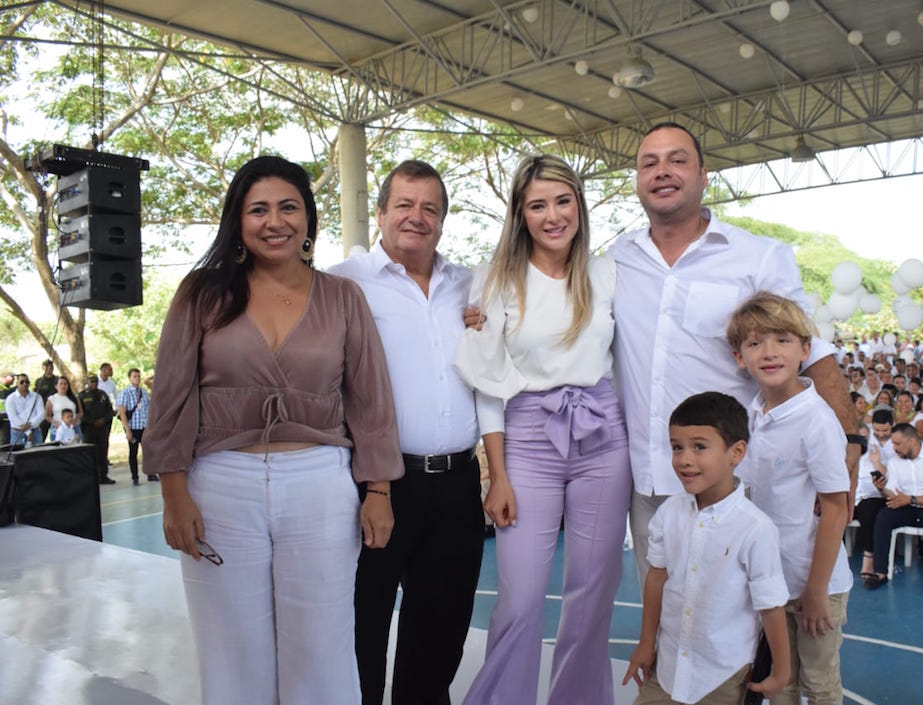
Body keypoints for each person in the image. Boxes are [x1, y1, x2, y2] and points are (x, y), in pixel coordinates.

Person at [143, 155, 403, 705]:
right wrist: (173, 492)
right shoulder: (202, 293)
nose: (274, 221)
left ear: (308, 218)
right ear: (238, 221)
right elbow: (171, 396)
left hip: (320, 483)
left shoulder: (342, 298)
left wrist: (378, 490)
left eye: (288, 207)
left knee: (324, 644)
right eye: (257, 209)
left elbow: (371, 400)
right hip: (220, 483)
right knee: (231, 647)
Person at [609, 123, 859, 586]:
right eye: (649, 163)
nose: (662, 171)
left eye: (677, 159)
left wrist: (849, 436)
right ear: (638, 180)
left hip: (735, 482)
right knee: (665, 620)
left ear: (705, 175)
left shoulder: (757, 256)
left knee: (739, 625)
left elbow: (808, 347)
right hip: (650, 480)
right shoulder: (616, 259)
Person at [456, 154, 631, 705]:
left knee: (593, 592)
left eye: (563, 201)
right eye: (538, 205)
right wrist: (497, 476)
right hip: (527, 436)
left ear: (578, 204)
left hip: (603, 434)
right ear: (520, 214)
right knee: (522, 595)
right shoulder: (496, 280)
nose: (553, 215)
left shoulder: (606, 274)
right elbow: (487, 383)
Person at [328, 160, 484, 705]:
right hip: (378, 485)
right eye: (405, 205)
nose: (417, 217)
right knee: (363, 622)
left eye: (430, 208)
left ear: (442, 220)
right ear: (380, 213)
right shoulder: (344, 282)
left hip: (458, 484)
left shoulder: (469, 286)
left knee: (440, 629)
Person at [622, 392, 790, 705]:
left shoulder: (755, 529)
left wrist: (781, 670)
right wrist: (647, 644)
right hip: (669, 669)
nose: (684, 459)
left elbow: (770, 607)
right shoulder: (668, 514)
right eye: (676, 447)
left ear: (736, 452)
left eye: (699, 447)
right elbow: (656, 579)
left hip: (723, 676)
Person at [727, 292, 853, 705]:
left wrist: (816, 590)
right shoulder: (750, 416)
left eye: (782, 340)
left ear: (805, 349)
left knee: (819, 686)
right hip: (772, 580)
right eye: (755, 342)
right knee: (781, 683)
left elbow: (836, 507)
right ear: (739, 356)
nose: (769, 352)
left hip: (815, 581)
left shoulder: (815, 420)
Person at [863, 424, 923, 596]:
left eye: (897, 444)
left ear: (912, 441)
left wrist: (909, 499)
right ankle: (880, 572)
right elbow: (892, 493)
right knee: (883, 516)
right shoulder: (895, 463)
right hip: (907, 506)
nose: (894, 448)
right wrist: (882, 489)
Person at [854, 422, 886, 583]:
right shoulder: (843, 452)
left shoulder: (876, 452)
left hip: (871, 497)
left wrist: (876, 462)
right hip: (850, 498)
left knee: (868, 510)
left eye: (865, 437)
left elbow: (887, 477)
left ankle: (869, 557)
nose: (863, 441)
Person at [117, 368, 153, 484]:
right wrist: (127, 430)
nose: (137, 378)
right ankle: (135, 477)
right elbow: (122, 412)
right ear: (129, 378)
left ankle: (150, 473)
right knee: (133, 452)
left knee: (148, 451)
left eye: (138, 376)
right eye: (134, 376)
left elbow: (150, 406)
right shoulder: (125, 393)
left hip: (144, 425)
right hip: (133, 426)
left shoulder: (143, 391)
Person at [79, 373, 115, 484]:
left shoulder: (103, 395)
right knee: (89, 453)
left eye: (95, 381)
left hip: (102, 428)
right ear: (87, 382)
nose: (94, 384)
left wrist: (103, 420)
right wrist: (92, 422)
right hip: (89, 429)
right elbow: (81, 414)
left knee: (102, 452)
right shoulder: (82, 396)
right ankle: (91, 477)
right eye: (91, 381)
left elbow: (110, 411)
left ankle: (103, 476)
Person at [6, 374, 44, 446]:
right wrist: (27, 431)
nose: (25, 384)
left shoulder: (37, 397)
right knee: (17, 455)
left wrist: (30, 424)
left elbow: (41, 414)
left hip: (35, 431)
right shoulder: (10, 398)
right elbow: (12, 416)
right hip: (17, 432)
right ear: (17, 383)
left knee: (37, 455)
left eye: (27, 382)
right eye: (22, 382)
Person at [44, 376, 82, 441]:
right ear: (56, 386)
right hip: (58, 427)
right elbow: (47, 415)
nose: (63, 386)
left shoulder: (74, 398)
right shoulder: (52, 399)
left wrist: (75, 421)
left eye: (65, 384)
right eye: (60, 384)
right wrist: (54, 422)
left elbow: (80, 412)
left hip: (73, 427)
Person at [97, 362, 118, 464]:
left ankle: (105, 458)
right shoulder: (95, 381)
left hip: (107, 412)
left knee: (106, 437)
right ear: (103, 370)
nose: (111, 371)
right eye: (110, 369)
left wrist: (116, 409)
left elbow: (116, 396)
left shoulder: (111, 383)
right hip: (97, 412)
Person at [33, 359, 57, 440]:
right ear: (43, 367)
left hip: (56, 412)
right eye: (47, 366)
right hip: (44, 413)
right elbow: (35, 397)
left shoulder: (58, 380)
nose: (49, 368)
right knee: (41, 437)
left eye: (51, 366)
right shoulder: (39, 381)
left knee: (57, 437)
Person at [0, 371, 14, 446]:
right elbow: (4, 394)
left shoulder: (8, 389)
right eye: (12, 376)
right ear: (4, 377)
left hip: (6, 419)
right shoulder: (2, 388)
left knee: (5, 443)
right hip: (2, 419)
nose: (14, 379)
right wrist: (17, 387)